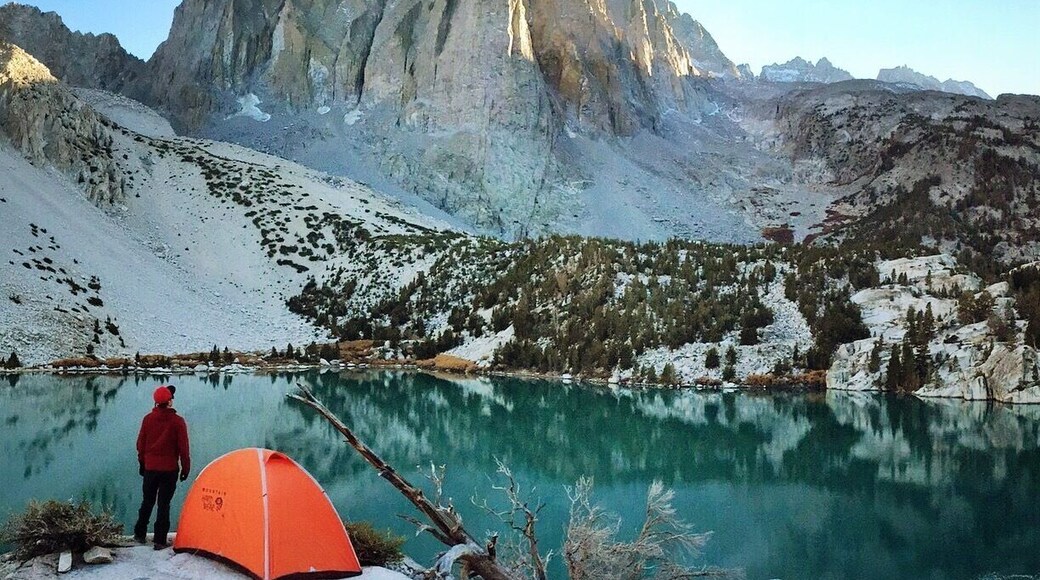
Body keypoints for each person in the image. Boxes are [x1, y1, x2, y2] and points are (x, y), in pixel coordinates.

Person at [134, 384, 190, 550]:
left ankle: (139, 533)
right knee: (164, 504)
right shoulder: (178, 422)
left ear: (156, 402)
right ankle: (159, 540)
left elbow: (140, 444)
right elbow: (184, 448)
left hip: (150, 468)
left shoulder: (148, 419)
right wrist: (185, 468)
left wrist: (142, 463)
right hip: (169, 470)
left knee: (147, 501)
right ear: (170, 401)